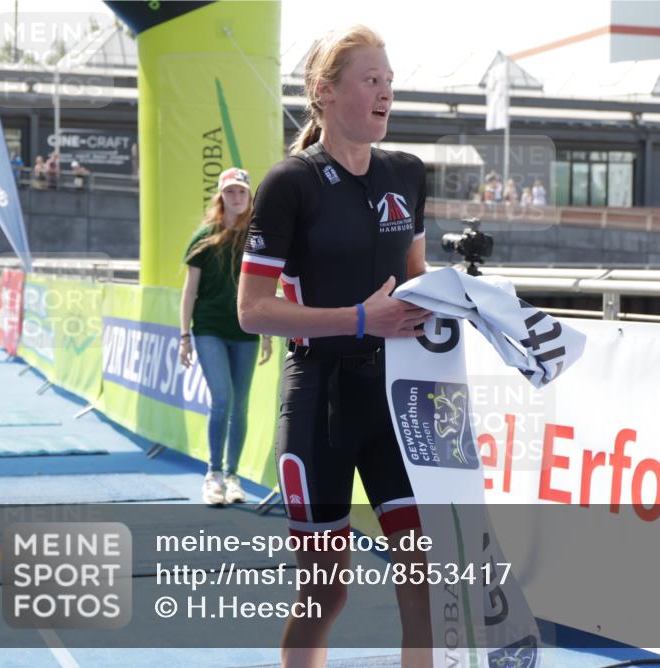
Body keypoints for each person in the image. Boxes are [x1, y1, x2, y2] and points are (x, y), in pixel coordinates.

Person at [236, 25, 433, 668]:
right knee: (326, 590)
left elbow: (415, 277)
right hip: (319, 402)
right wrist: (361, 319)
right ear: (324, 92)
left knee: (425, 582)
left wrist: (464, 306)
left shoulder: (407, 173)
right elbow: (252, 311)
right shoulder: (289, 183)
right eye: (371, 80)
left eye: (390, 81)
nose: (386, 93)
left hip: (396, 402)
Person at [180, 167, 272, 507]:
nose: (236, 197)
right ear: (221, 197)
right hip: (209, 329)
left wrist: (266, 333)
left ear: (249, 197)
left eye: (241, 192)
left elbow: (265, 288)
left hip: (245, 331)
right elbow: (189, 292)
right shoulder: (204, 237)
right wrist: (184, 336)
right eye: (230, 192)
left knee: (240, 405)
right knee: (222, 398)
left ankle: (233, 476)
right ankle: (213, 474)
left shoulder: (257, 238)